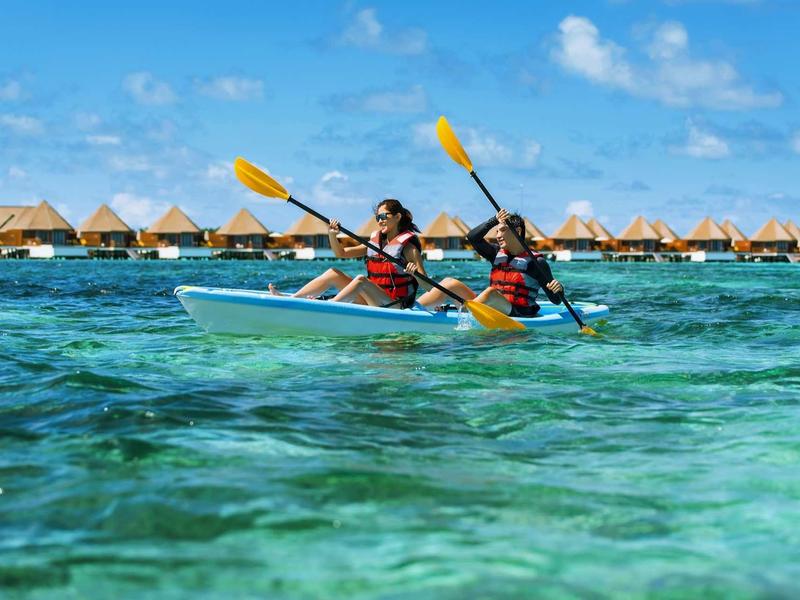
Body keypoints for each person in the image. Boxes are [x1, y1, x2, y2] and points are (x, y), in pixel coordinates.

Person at [269, 199, 427, 308]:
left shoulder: (408, 249)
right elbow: (341, 253)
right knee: (333, 273)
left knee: (360, 280)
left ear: (398, 217)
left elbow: (427, 287)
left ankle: (329, 308)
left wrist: (416, 274)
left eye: (384, 216)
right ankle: (291, 300)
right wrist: (332, 234)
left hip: (394, 305)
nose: (380, 220)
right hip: (371, 300)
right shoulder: (376, 242)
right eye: (377, 217)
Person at [409, 208, 563, 317]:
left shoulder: (537, 263)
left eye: (502, 230)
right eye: (497, 231)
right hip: (490, 308)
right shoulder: (496, 253)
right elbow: (472, 237)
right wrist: (493, 221)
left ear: (517, 231)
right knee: (450, 282)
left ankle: (463, 315)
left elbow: (556, 300)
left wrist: (559, 289)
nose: (497, 235)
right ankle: (412, 311)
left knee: (490, 292)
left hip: (517, 312)